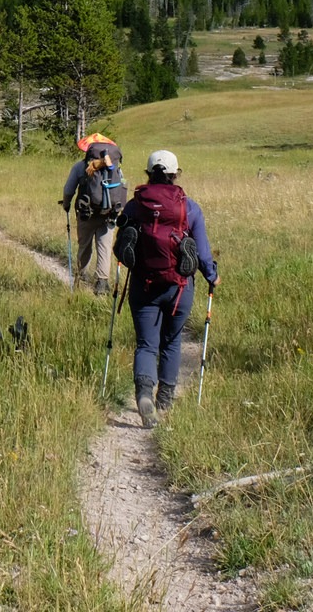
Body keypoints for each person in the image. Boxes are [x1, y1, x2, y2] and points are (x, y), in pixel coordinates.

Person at [117, 149, 218, 427]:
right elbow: (202, 253)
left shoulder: (135, 205)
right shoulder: (189, 207)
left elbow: (123, 242)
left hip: (143, 284)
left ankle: (144, 393)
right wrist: (212, 276)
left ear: (149, 174)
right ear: (176, 175)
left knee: (146, 344)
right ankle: (165, 400)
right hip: (179, 288)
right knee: (172, 342)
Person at [61, 138, 125, 296]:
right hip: (109, 214)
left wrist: (66, 204)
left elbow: (69, 189)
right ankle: (102, 284)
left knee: (85, 246)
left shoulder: (80, 167)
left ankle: (80, 280)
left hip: (86, 213)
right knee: (104, 247)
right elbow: (121, 188)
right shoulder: (114, 167)